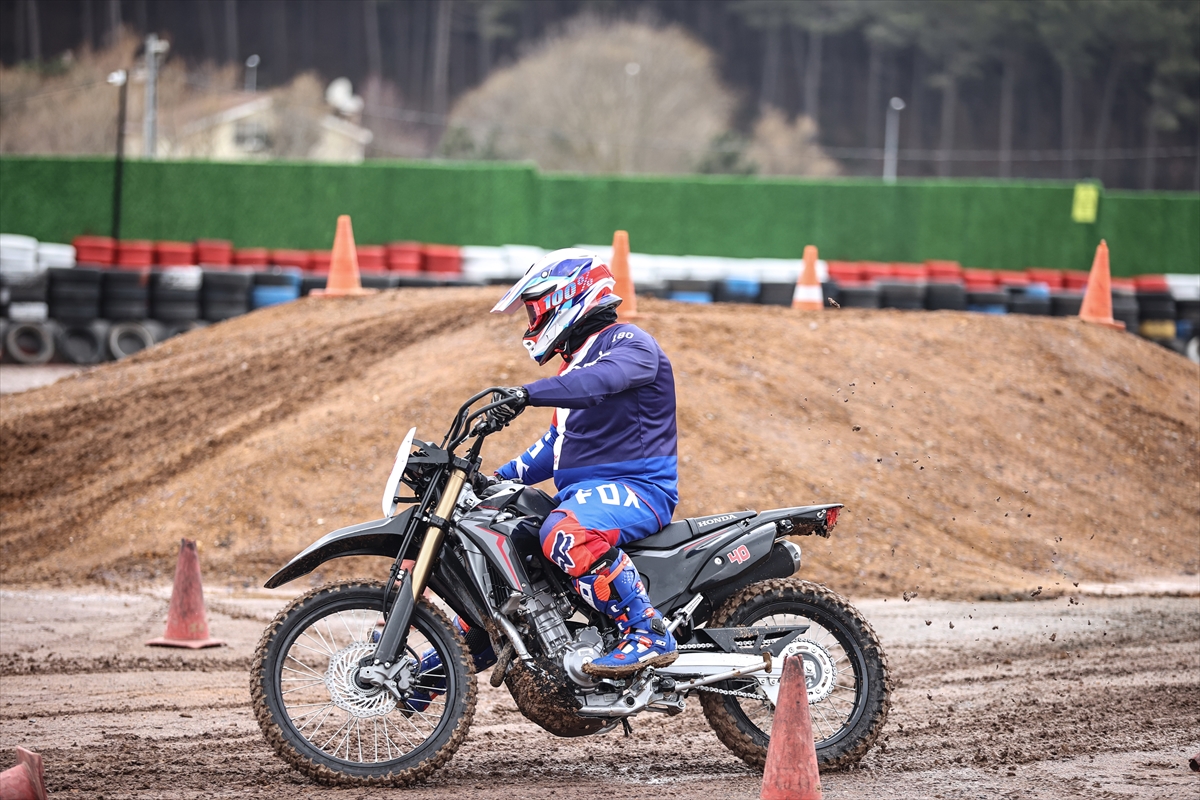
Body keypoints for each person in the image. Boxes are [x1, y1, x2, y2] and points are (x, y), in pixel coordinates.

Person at [487, 248, 679, 678]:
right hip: (587, 494)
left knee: (564, 533)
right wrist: (496, 478)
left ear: (567, 297)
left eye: (536, 309)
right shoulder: (575, 365)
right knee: (508, 545)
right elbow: (555, 447)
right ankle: (439, 666)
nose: (532, 321)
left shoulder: (629, 342)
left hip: (641, 488)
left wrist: (527, 393)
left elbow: (601, 382)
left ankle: (648, 633)